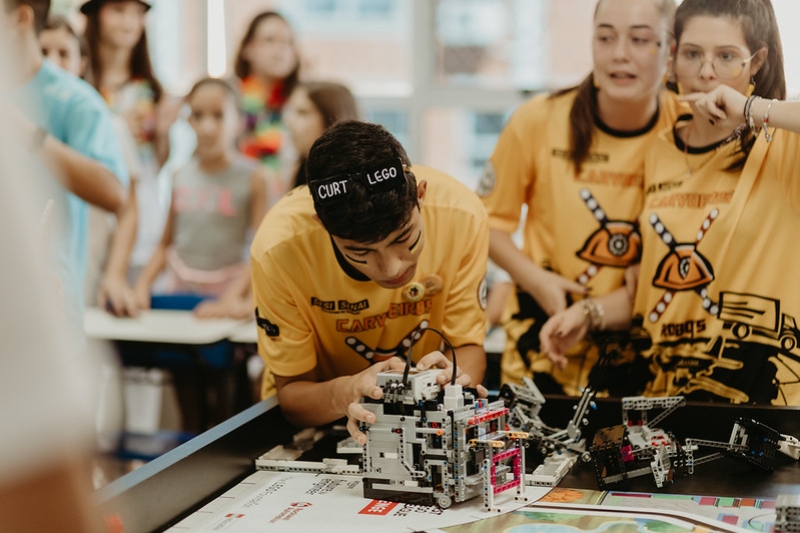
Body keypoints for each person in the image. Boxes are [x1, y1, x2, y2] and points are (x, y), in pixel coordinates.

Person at [541, 0, 800, 406]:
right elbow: (654, 283)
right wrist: (586, 314)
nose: (706, 72)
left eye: (727, 57)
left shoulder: (784, 145)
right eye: (693, 54)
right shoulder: (658, 152)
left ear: (757, 63)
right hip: (661, 396)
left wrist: (750, 109)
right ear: (672, 58)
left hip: (756, 397)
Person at [478, 0, 683, 396]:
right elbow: (485, 223)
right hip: (541, 353)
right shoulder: (538, 120)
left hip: (642, 365)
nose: (620, 53)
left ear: (670, 51)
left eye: (640, 39)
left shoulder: (689, 128)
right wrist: (537, 282)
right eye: (605, 37)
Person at [251, 120, 489, 443]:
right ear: (322, 226)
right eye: (360, 251)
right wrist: (349, 391)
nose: (391, 268)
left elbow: (468, 346)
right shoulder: (278, 249)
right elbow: (292, 396)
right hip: (318, 427)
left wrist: (454, 376)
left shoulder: (462, 216)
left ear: (420, 197)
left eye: (403, 238)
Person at [6, 0, 128, 331]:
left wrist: (27, 134)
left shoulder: (75, 101)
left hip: (47, 319)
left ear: (21, 17)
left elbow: (116, 194)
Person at [133, 78, 267, 319]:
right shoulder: (179, 175)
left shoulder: (255, 178)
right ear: (188, 120)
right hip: (179, 293)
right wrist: (142, 286)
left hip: (230, 296)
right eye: (198, 115)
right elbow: (165, 244)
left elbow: (262, 251)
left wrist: (230, 300)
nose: (207, 127)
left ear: (238, 120)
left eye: (218, 116)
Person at [40, 13, 142, 314]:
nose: (52, 63)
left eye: (63, 53)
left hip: (90, 274)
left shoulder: (109, 125)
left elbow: (129, 208)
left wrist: (115, 274)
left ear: (82, 63)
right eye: (43, 52)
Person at [82, 0, 174, 298]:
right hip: (89, 206)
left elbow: (157, 164)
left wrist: (162, 131)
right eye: (119, 11)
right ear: (96, 15)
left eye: (137, 13)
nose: (129, 22)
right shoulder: (79, 83)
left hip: (141, 211)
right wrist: (116, 126)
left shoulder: (153, 88)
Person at [233, 10, 300, 200]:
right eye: (270, 40)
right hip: (241, 200)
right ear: (247, 47)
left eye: (288, 42)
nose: (280, 50)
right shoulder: (232, 99)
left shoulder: (301, 103)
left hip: (288, 202)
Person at [283, 80, 359, 189]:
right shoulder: (298, 170)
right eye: (291, 111)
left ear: (331, 120)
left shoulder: (348, 181)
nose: (289, 121)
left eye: (302, 112)